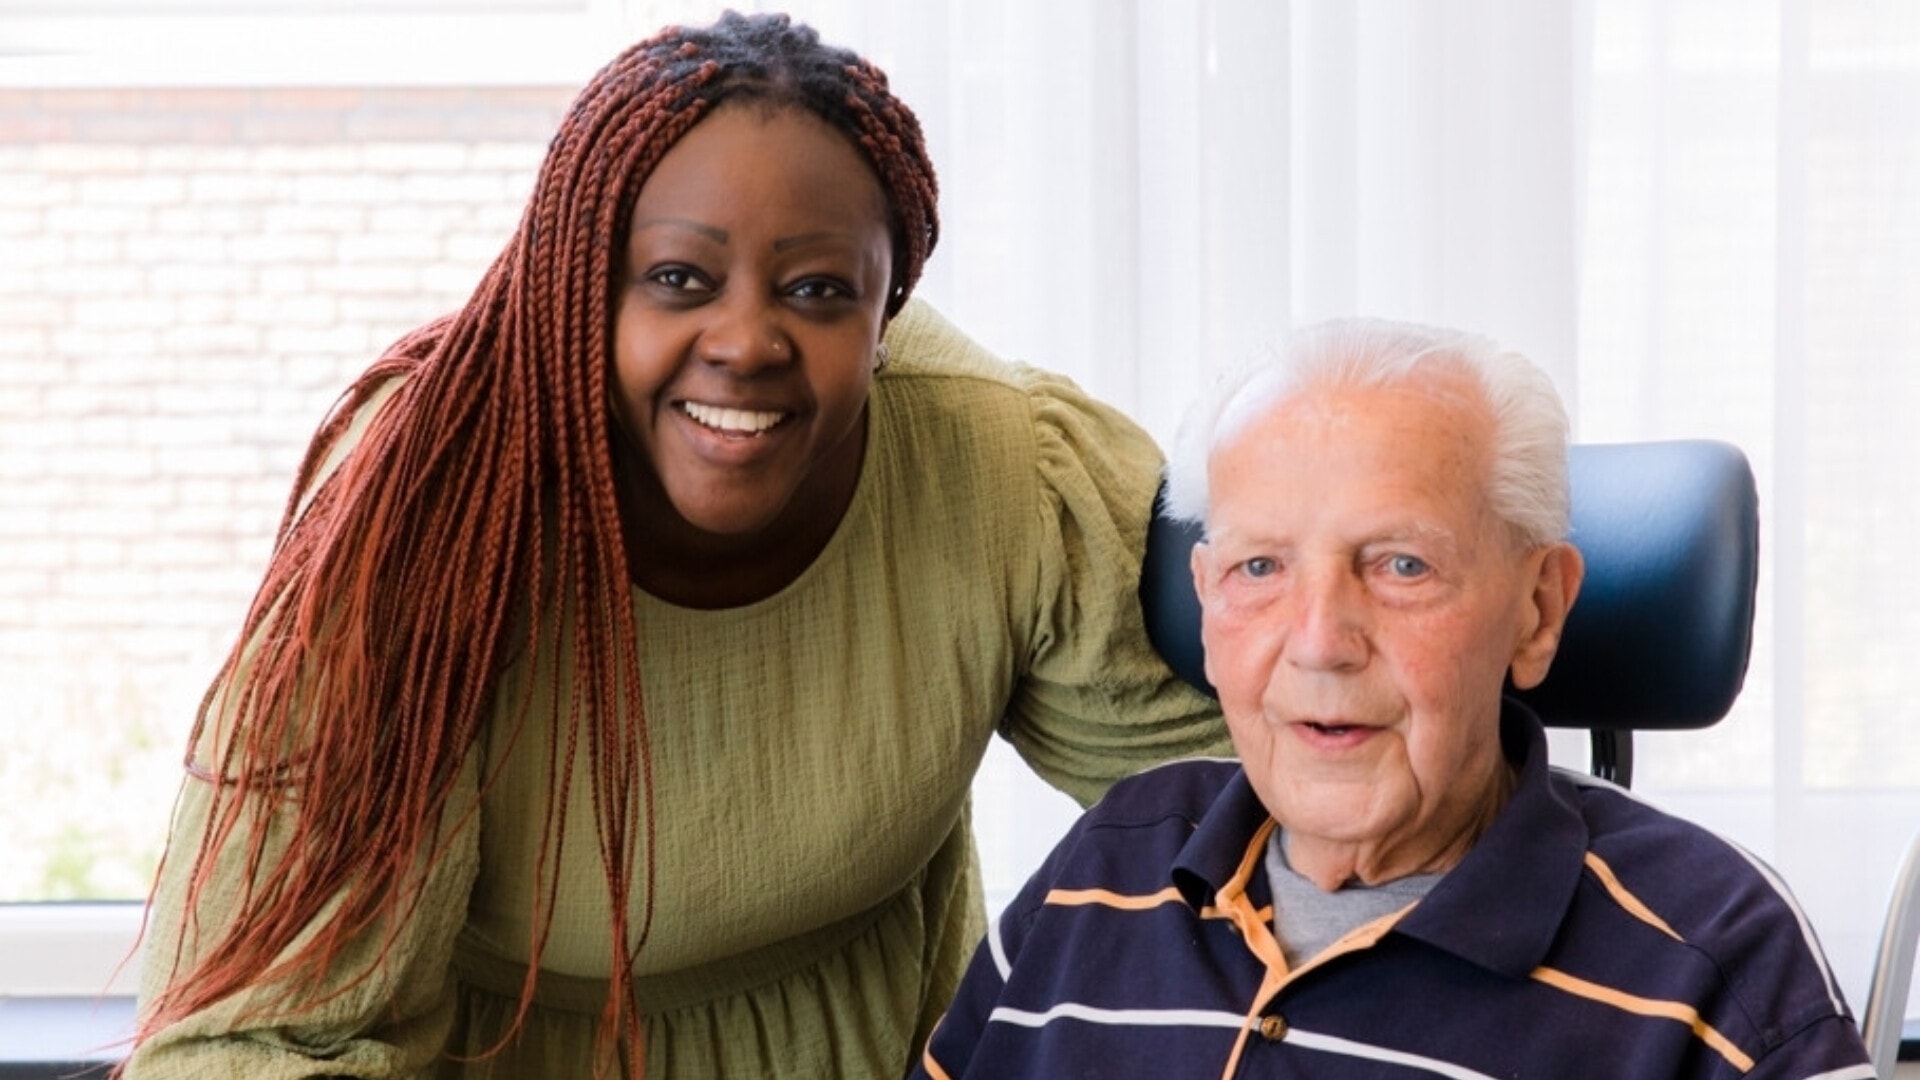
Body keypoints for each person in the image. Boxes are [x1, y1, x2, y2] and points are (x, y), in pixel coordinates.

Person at [121, 11, 1228, 1079]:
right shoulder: (426, 515)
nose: (747, 341)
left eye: (818, 290)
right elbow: (258, 1042)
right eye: (678, 280)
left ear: (887, 310)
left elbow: (1286, 800)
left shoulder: (996, 469)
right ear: (576, 289)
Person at [910, 318, 1875, 1080]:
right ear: (1205, 604)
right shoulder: (1106, 863)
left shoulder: (1718, 965)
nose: (1322, 641)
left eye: (1401, 565)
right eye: (1260, 567)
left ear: (1539, 611)